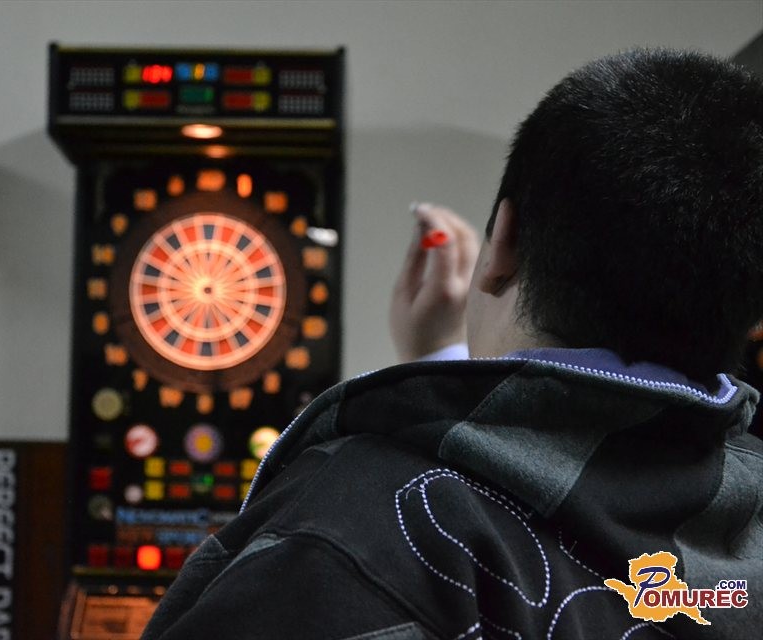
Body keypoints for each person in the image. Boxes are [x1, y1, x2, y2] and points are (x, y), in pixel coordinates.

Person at [141, 49, 763, 639]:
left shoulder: (348, 531)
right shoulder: (740, 535)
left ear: (503, 242)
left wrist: (441, 370)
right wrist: (441, 359)